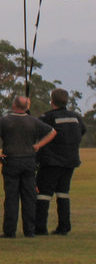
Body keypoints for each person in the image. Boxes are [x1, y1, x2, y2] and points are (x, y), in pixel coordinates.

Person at [0, 95, 56, 238]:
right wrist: (38, 145)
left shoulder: (5, 120)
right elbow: (52, 132)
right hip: (29, 162)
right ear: (27, 107)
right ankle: (29, 231)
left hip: (10, 161)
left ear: (13, 106)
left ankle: (9, 231)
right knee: (29, 197)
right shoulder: (33, 121)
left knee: (11, 197)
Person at [36, 88, 87, 235]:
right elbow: (82, 130)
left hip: (51, 161)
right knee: (63, 193)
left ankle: (40, 228)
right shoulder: (75, 116)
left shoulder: (47, 117)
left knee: (44, 194)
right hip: (70, 160)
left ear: (52, 101)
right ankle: (64, 227)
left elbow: (37, 132)